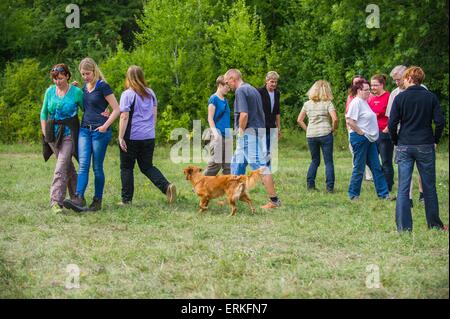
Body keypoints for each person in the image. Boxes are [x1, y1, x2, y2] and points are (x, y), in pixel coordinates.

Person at [388, 66, 446, 232]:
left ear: (408, 79)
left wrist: (396, 140)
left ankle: (403, 227)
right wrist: (435, 139)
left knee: (403, 187)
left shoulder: (400, 98)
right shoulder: (431, 97)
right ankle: (434, 224)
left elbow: (392, 124)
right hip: (425, 144)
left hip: (405, 144)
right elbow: (440, 122)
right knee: (429, 186)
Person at [63, 58, 120, 212]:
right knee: (83, 165)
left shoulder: (103, 86)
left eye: (87, 74)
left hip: (99, 131)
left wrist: (105, 126)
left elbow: (117, 109)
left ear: (94, 71)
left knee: (97, 167)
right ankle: (79, 198)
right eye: (82, 74)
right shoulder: (84, 88)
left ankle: (97, 201)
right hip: (84, 130)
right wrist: (74, 89)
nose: (85, 77)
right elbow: (85, 108)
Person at [117, 66, 176, 205]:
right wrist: (150, 130)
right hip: (148, 136)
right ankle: (166, 186)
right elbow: (154, 115)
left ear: (128, 78)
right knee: (147, 166)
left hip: (132, 137)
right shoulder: (151, 93)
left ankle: (126, 200)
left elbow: (124, 117)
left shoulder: (127, 94)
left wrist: (120, 137)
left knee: (126, 167)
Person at [224, 69, 281, 209]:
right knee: (236, 166)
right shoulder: (253, 90)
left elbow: (244, 114)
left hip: (247, 134)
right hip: (255, 132)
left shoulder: (241, 91)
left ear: (233, 78)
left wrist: (241, 133)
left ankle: (274, 201)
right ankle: (232, 198)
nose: (228, 86)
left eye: (227, 82)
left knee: (261, 167)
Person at [40, 64, 84, 213]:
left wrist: (103, 111)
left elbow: (88, 109)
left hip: (69, 134)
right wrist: (45, 132)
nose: (57, 81)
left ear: (67, 76)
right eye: (54, 79)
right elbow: (44, 113)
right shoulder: (49, 91)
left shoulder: (76, 92)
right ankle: (78, 197)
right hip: (52, 133)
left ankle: (56, 202)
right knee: (67, 166)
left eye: (60, 78)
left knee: (61, 166)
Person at [345, 78, 391, 201]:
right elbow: (350, 121)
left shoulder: (364, 102)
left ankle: (384, 194)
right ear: (359, 90)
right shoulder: (356, 102)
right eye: (366, 90)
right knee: (359, 168)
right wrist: (361, 133)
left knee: (376, 167)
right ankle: (353, 195)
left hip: (369, 140)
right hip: (360, 139)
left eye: (369, 89)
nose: (369, 92)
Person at [386, 65, 424, 207]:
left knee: (422, 168)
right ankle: (407, 198)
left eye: (398, 79)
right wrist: (395, 138)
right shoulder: (395, 94)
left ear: (407, 76)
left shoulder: (423, 90)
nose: (397, 82)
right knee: (404, 169)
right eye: (394, 80)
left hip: (420, 137)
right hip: (402, 137)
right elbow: (391, 120)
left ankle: (422, 194)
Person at [297, 80, 338, 192]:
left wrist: (308, 129)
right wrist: (333, 129)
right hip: (325, 134)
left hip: (311, 135)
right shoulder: (328, 103)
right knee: (328, 161)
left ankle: (310, 185)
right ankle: (329, 187)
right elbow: (335, 119)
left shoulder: (307, 104)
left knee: (315, 160)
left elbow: (299, 120)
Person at [368, 74, 394, 194]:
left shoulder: (389, 96)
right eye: (371, 85)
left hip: (384, 133)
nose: (372, 87)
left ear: (382, 85)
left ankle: (388, 186)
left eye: (375, 85)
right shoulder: (370, 98)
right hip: (372, 133)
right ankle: (380, 183)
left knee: (386, 161)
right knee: (371, 160)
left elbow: (393, 115)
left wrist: (388, 128)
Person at [203, 75, 232, 176]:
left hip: (227, 135)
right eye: (226, 87)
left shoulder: (226, 100)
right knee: (216, 163)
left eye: (229, 88)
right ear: (220, 85)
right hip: (217, 135)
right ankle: (201, 183)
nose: (228, 89)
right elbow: (210, 118)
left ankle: (229, 187)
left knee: (228, 166)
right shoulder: (213, 98)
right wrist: (215, 134)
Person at [346, 75, 373, 181]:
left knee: (368, 157)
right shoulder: (351, 98)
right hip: (354, 129)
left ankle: (368, 176)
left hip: (365, 131)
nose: (357, 84)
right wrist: (350, 128)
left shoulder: (367, 97)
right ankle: (358, 176)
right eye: (355, 82)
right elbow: (348, 115)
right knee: (356, 155)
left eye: (359, 82)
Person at [258, 71, 281, 166]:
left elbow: (277, 111)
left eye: (275, 82)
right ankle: (263, 172)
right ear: (266, 81)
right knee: (264, 151)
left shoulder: (277, 93)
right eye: (272, 81)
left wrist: (278, 127)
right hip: (261, 126)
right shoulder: (259, 92)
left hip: (272, 126)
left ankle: (268, 173)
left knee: (270, 151)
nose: (274, 84)